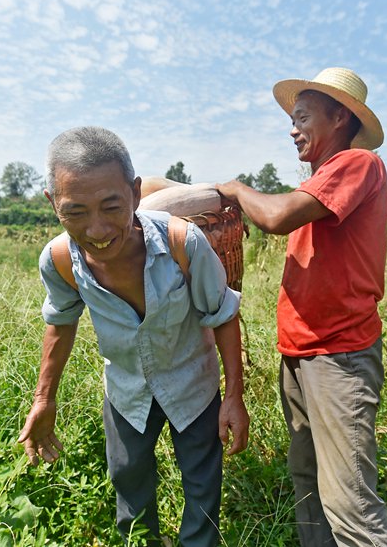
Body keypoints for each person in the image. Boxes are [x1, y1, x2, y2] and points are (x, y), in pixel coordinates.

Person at [18, 126, 249, 547]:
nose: (97, 229)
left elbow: (222, 315)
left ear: (136, 193)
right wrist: (44, 399)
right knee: (128, 479)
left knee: (202, 483)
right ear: (53, 203)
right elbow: (61, 323)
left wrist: (234, 394)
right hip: (126, 391)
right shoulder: (59, 260)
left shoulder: (182, 243)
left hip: (192, 385)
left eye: (111, 207)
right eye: (75, 212)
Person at [216, 68, 387, 546]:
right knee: (309, 483)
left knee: (351, 507)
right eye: (292, 120)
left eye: (302, 118)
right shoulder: (319, 182)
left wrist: (236, 190)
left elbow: (276, 216)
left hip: (339, 356)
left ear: (340, 117)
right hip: (302, 352)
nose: (293, 130)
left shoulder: (358, 163)